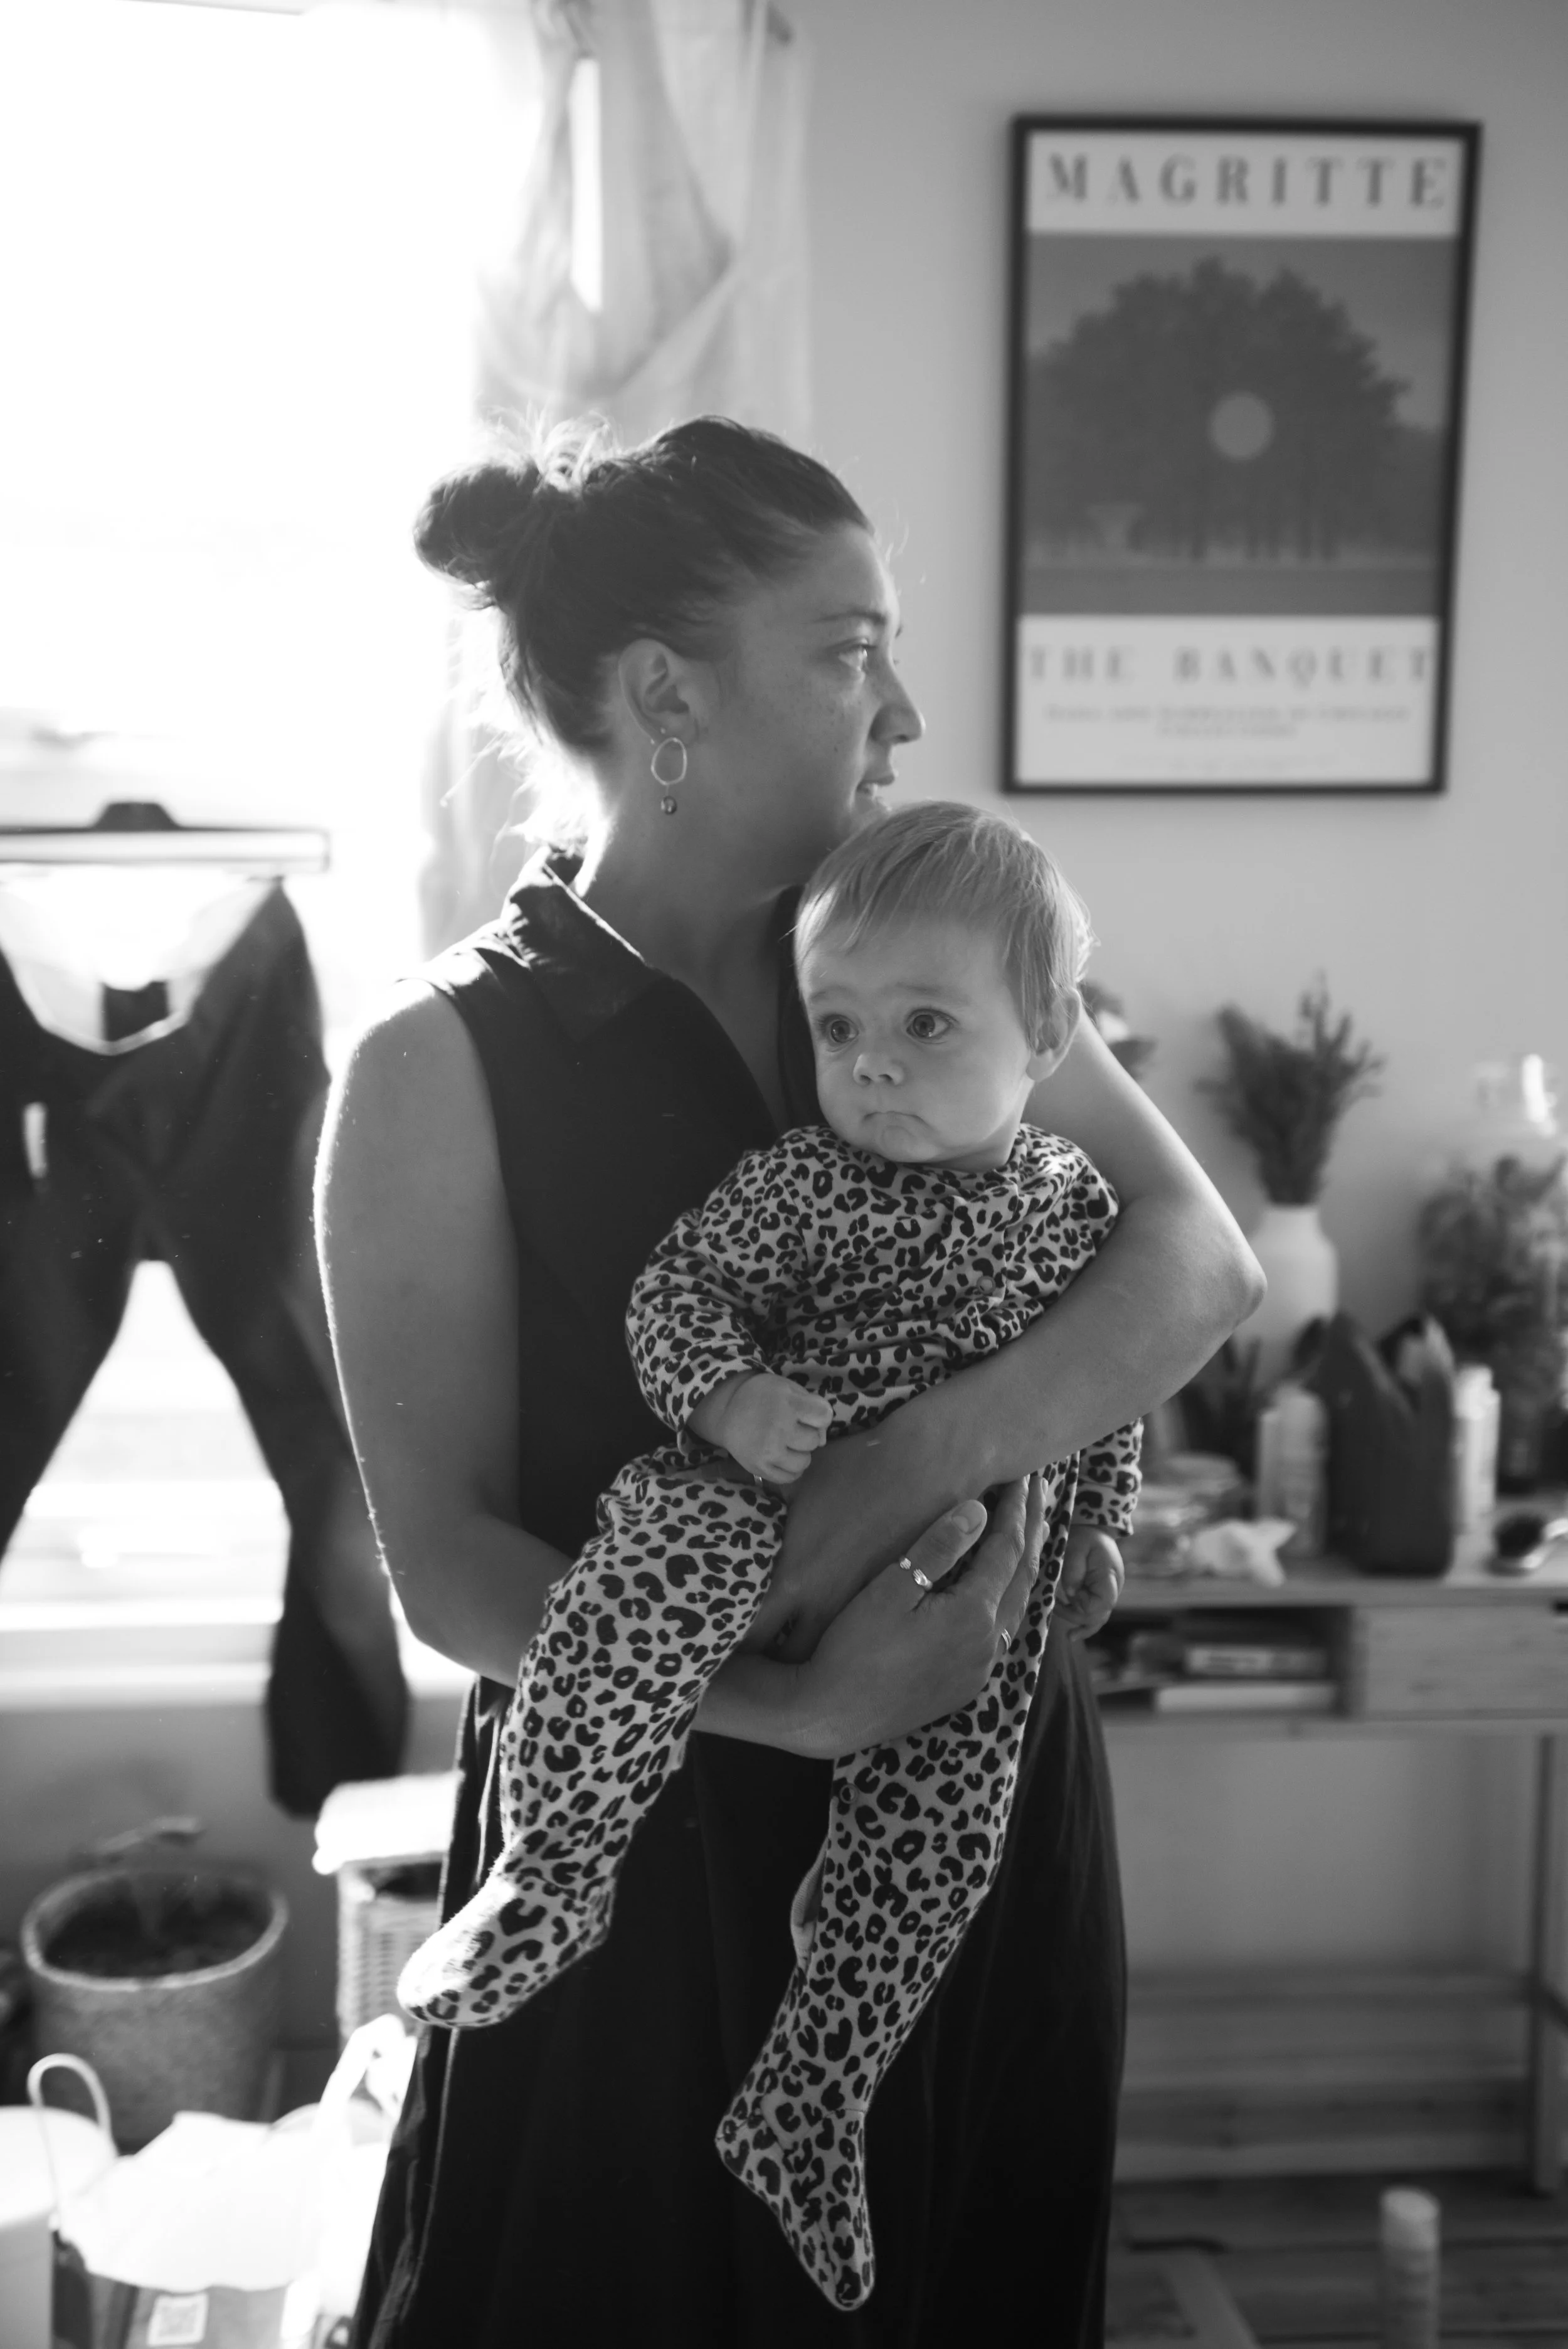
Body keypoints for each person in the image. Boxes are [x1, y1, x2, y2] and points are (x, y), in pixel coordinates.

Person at [316, 415, 1263, 2348]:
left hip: (973, 1828)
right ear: (667, 696)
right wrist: (797, 1708)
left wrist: (911, 1468)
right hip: (639, 1883)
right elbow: (448, 1567)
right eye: (848, 653)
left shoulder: (919, 949)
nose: (900, 712)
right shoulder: (434, 1067)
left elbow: (1193, 1261)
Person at [395, 800, 1142, 2313]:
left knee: (931, 1851)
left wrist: (1102, 1521)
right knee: (627, 1596)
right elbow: (680, 1295)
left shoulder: (1074, 1202)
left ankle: (809, 2101)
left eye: (923, 1026)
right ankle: (553, 1876)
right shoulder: (802, 1177)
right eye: (837, 1027)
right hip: (750, 1490)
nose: (871, 1065)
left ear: (1048, 1036)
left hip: (964, 1593)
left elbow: (1109, 1378)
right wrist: (725, 1398)